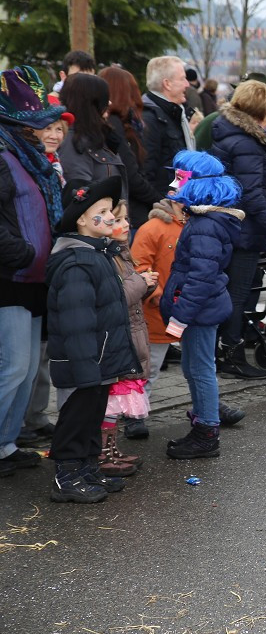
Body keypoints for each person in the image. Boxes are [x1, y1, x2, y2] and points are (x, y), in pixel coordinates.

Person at [46, 175, 139, 501]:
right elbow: (77, 321)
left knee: (92, 416)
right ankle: (67, 476)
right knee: (76, 417)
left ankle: (87, 467)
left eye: (111, 209)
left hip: (98, 361)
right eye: (102, 210)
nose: (112, 216)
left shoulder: (97, 255)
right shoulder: (76, 262)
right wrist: (86, 368)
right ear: (82, 219)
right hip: (82, 362)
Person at [0, 66, 65, 478]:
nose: (46, 130)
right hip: (10, 278)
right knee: (14, 366)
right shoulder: (5, 158)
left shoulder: (28, 157)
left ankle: (7, 443)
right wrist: (22, 253)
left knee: (24, 371)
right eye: (38, 124)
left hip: (34, 277)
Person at [159, 151, 244, 459]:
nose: (172, 184)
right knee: (193, 366)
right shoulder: (204, 219)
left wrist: (181, 315)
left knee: (200, 368)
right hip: (200, 307)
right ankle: (203, 417)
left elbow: (201, 276)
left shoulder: (205, 224)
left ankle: (207, 430)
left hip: (199, 309)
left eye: (180, 178)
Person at [209, 79, 266, 379]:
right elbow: (252, 194)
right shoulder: (248, 143)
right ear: (258, 113)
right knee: (238, 293)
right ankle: (231, 353)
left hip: (231, 223)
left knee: (231, 292)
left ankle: (224, 350)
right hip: (243, 229)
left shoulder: (230, 132)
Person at [97, 200, 155, 476]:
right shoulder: (108, 256)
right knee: (111, 401)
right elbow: (117, 296)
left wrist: (142, 281)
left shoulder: (121, 252)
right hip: (119, 335)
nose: (125, 224)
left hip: (131, 330)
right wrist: (142, 282)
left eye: (125, 219)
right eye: (117, 219)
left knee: (116, 402)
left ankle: (112, 449)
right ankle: (102, 453)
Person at [129, 195, 185, 437]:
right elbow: (140, 266)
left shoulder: (194, 225)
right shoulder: (152, 228)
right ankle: (135, 415)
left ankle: (209, 406)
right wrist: (159, 297)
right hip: (158, 311)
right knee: (148, 366)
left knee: (200, 362)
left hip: (189, 307)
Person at [99, 66, 161, 229]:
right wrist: (159, 200)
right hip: (131, 214)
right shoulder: (114, 125)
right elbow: (131, 175)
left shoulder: (125, 124)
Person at [58, 74, 129, 199]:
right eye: (105, 99)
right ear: (90, 103)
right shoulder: (74, 143)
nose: (110, 103)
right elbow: (81, 197)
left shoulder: (98, 136)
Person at [141, 56, 195, 199]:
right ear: (167, 84)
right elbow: (147, 173)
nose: (187, 84)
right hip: (164, 208)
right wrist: (165, 203)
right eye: (183, 79)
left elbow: (179, 165)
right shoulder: (150, 118)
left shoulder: (173, 114)